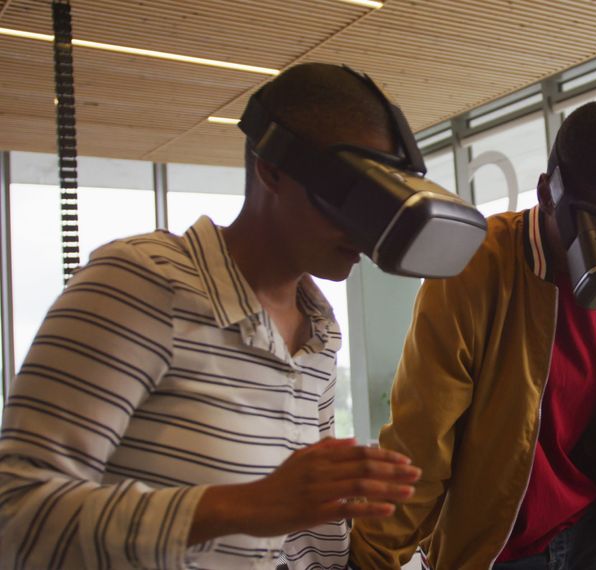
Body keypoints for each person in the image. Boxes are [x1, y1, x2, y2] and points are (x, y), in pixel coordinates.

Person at [0, 63, 424, 569]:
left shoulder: (320, 331)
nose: (367, 228)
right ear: (273, 167)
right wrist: (243, 505)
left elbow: (297, 535)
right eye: (349, 194)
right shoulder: (143, 283)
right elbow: (15, 514)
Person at [350, 102, 596, 570]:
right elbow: (422, 438)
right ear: (548, 194)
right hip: (492, 549)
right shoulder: (474, 267)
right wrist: (370, 559)